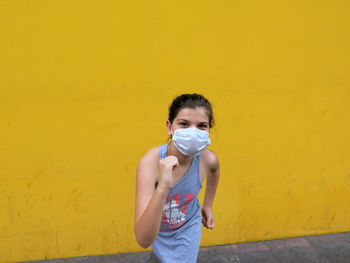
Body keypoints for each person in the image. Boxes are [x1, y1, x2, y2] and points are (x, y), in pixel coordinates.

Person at [134, 93, 220, 263]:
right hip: (158, 229)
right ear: (169, 127)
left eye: (202, 126)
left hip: (188, 226)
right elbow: (143, 240)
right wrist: (163, 187)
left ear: (209, 130)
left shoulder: (207, 159)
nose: (193, 132)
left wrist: (208, 205)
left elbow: (214, 170)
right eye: (184, 124)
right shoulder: (150, 162)